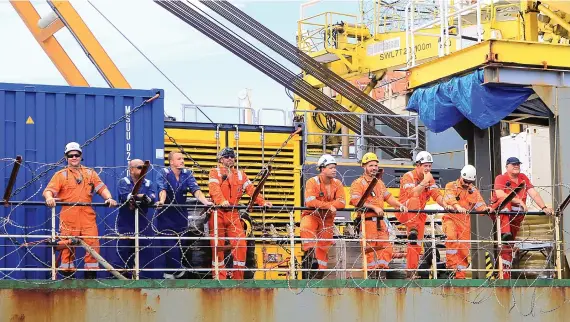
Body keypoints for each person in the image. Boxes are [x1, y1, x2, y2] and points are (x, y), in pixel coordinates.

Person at [43, 142, 117, 279]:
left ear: (81, 156)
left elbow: (101, 188)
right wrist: (49, 198)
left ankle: (90, 280)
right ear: (66, 157)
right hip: (68, 217)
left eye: (76, 155)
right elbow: (48, 191)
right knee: (67, 248)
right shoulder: (61, 175)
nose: (74, 157)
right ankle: (67, 279)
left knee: (92, 246)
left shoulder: (90, 173)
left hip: (87, 217)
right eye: (71, 155)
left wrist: (109, 198)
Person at [208, 147, 272, 280]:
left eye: (232, 156)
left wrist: (262, 202)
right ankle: (219, 277)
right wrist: (221, 201)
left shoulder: (241, 175)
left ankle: (238, 277)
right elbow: (214, 189)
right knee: (217, 245)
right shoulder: (215, 172)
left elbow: (251, 190)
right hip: (218, 213)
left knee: (241, 244)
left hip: (233, 214)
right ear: (221, 159)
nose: (230, 158)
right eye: (227, 156)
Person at [490, 156, 554, 279]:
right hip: (502, 213)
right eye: (513, 164)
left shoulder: (522, 178)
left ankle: (505, 275)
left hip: (516, 216)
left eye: (518, 164)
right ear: (507, 166)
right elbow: (500, 194)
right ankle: (505, 232)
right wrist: (519, 200)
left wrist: (543, 207)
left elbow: (533, 193)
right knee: (506, 200)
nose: (516, 166)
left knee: (508, 245)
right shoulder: (501, 178)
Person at [395, 151, 454, 279]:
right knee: (415, 199)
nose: (427, 169)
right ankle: (413, 228)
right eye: (425, 165)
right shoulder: (408, 176)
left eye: (429, 166)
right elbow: (412, 194)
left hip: (418, 215)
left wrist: (445, 205)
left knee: (415, 243)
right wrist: (424, 182)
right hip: (404, 211)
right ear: (418, 165)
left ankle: (411, 271)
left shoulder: (430, 179)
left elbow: (436, 195)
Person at [349, 152, 407, 279]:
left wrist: (399, 205)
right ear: (364, 166)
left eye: (376, 165)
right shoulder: (358, 183)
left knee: (386, 247)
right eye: (371, 165)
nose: (374, 168)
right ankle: (371, 274)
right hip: (367, 221)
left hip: (380, 222)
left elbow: (388, 197)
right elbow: (356, 201)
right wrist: (374, 207)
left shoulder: (379, 183)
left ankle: (382, 271)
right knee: (370, 248)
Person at [156, 151, 213, 279]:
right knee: (170, 247)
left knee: (182, 246)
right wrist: (161, 202)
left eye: (182, 158)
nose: (182, 161)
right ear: (171, 162)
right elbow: (162, 189)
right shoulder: (164, 173)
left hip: (181, 216)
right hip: (166, 217)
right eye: (179, 159)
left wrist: (205, 202)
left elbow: (195, 190)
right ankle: (177, 271)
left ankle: (171, 274)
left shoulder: (187, 174)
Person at [300, 154, 346, 279]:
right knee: (306, 227)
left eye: (334, 167)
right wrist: (329, 206)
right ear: (322, 168)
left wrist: (327, 206)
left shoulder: (337, 183)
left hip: (327, 220)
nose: (334, 170)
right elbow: (310, 201)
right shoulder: (312, 182)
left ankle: (319, 273)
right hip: (312, 215)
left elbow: (342, 202)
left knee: (323, 248)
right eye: (331, 167)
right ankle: (310, 255)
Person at [442, 164, 491, 279]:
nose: (467, 184)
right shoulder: (451, 186)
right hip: (451, 218)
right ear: (461, 177)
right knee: (451, 238)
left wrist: (486, 209)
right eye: (465, 181)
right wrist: (457, 207)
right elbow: (450, 198)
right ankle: (451, 268)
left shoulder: (473, 190)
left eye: (469, 182)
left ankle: (460, 275)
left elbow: (480, 205)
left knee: (463, 249)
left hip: (464, 222)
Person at [115, 159, 156, 279]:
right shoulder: (124, 182)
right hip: (126, 223)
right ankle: (122, 278)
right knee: (124, 251)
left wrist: (144, 198)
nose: (142, 170)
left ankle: (142, 278)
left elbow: (152, 197)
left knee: (144, 252)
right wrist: (139, 197)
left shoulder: (148, 183)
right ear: (131, 169)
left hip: (142, 223)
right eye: (139, 167)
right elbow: (125, 196)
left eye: (143, 167)